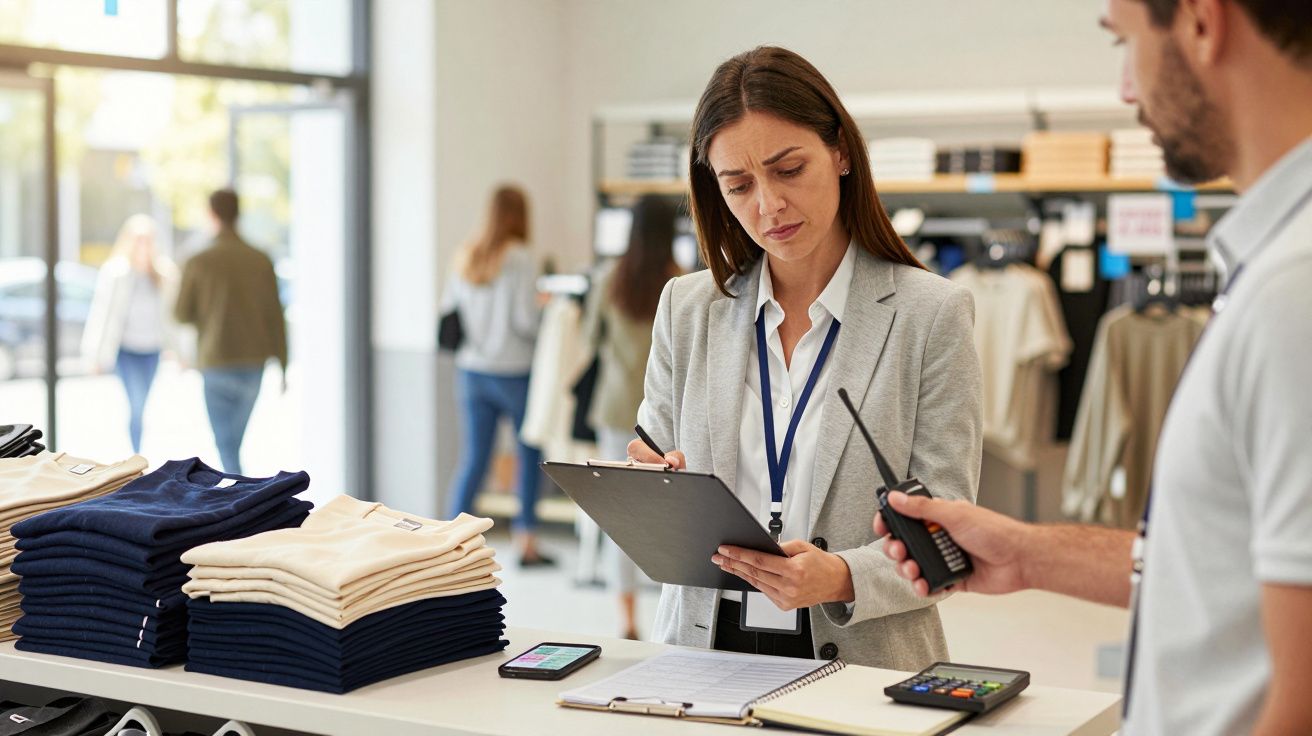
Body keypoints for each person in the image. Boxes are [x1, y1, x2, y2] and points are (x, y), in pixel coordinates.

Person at [874, 1, 1312, 733]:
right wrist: (1028, 554)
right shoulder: (1275, 269)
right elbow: (1228, 566)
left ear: (1203, 22)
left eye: (1125, 43)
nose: (1125, 91)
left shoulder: (1291, 292)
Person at [626, 46, 983, 669]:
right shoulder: (687, 307)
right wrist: (651, 488)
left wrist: (841, 576)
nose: (767, 206)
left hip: (865, 661)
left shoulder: (931, 314)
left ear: (841, 152)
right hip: (702, 652)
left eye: (788, 169)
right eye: (738, 185)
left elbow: (947, 533)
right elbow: (654, 463)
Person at [580, 194, 683, 639]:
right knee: (671, 518)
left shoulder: (609, 280)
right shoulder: (680, 284)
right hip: (666, 418)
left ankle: (626, 617)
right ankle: (669, 609)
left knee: (619, 516)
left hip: (616, 409)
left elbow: (588, 337)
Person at [442, 184, 552, 566]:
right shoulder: (519, 257)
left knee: (474, 458)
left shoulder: (466, 254)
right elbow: (524, 320)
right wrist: (546, 312)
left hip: (471, 372)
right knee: (529, 453)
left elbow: (449, 313)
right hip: (514, 372)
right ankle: (526, 541)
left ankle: (447, 544)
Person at [174, 189, 288, 475]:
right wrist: (283, 366)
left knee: (226, 444)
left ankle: (238, 498)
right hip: (253, 361)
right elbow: (275, 316)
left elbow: (180, 313)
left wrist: (209, 311)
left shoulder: (198, 260)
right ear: (239, 213)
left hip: (217, 359)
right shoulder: (260, 259)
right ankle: (240, 493)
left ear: (211, 214)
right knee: (232, 443)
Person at [81, 214, 180, 453]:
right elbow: (102, 314)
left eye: (148, 240)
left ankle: (139, 450)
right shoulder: (116, 273)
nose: (143, 246)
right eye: (139, 240)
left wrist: (179, 351)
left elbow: (173, 317)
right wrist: (94, 356)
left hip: (152, 350)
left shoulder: (165, 274)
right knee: (136, 404)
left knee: (143, 403)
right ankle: (137, 453)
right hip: (126, 350)